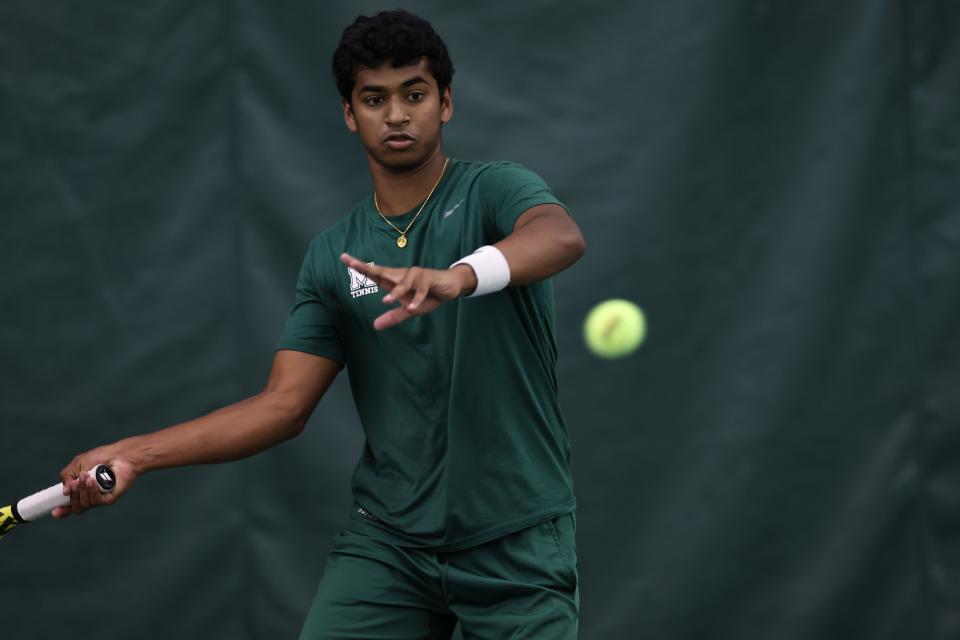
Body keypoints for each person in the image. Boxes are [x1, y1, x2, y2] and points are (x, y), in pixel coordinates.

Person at [56, 9, 586, 639]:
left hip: (516, 538)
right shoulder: (331, 255)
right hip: (390, 545)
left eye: (414, 94)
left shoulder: (496, 190)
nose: (395, 114)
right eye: (374, 98)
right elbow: (282, 407)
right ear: (348, 112)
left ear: (445, 103)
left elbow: (560, 236)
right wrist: (135, 455)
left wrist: (461, 276)